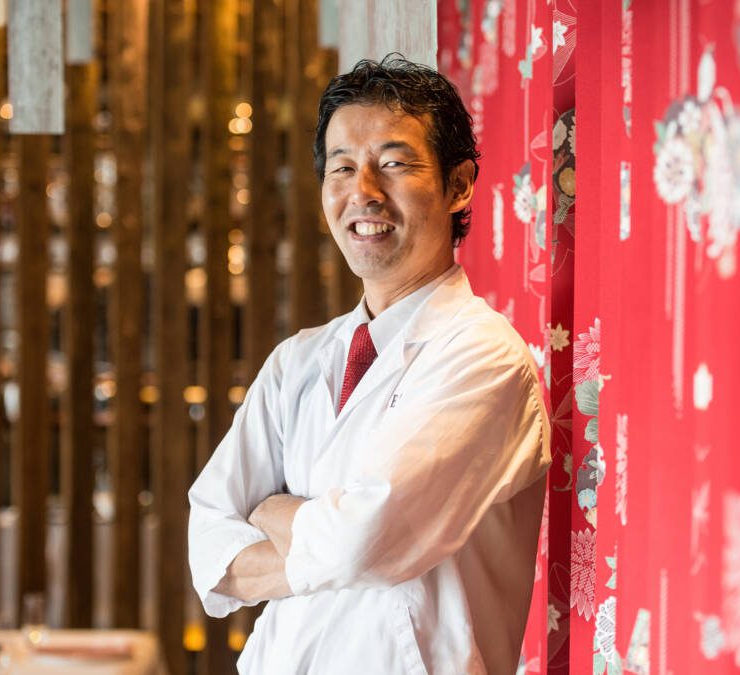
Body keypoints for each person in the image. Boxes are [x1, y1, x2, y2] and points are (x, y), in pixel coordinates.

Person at [188, 56, 551, 674]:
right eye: (342, 167)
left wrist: (272, 510)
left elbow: (365, 542)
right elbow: (209, 545)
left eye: (394, 163)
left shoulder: (484, 357)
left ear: (459, 184)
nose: (364, 191)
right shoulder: (298, 361)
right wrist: (332, 540)